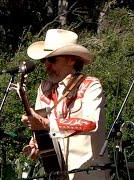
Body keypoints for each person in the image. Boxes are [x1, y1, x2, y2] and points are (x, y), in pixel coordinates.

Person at [21, 29, 110, 180]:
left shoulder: (91, 85)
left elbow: (91, 124)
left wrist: (47, 124)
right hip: (55, 172)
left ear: (72, 59)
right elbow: (41, 127)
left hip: (88, 173)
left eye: (53, 60)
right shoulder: (43, 89)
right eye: (45, 60)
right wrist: (36, 143)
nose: (46, 66)